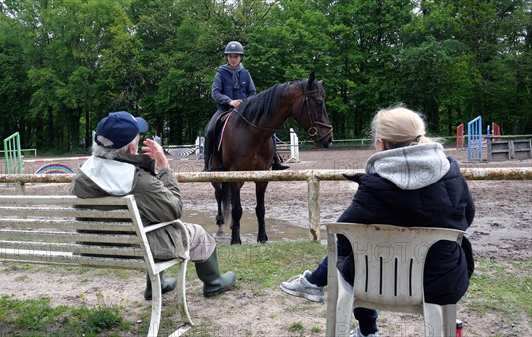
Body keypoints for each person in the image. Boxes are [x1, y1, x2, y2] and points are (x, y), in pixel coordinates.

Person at [279, 105, 475, 337]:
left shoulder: (374, 185)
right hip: (442, 280)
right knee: (362, 253)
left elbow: (344, 234)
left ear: (381, 144)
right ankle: (315, 284)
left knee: (355, 254)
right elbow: (467, 217)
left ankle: (361, 325)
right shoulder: (452, 174)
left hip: (374, 283)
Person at [70, 111, 236, 299]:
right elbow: (173, 210)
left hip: (95, 247)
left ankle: (156, 285)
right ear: (131, 150)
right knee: (197, 233)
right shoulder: (138, 180)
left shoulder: (82, 176)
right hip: (140, 250)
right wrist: (164, 168)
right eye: (138, 139)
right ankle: (213, 281)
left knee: (146, 222)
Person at [203, 40, 289, 171]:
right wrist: (229, 101)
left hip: (245, 110)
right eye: (231, 56)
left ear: (240, 57)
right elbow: (215, 93)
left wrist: (247, 103)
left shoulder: (246, 73)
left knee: (268, 126)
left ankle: (275, 159)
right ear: (227, 57)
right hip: (225, 109)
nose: (233, 59)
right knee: (210, 129)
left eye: (236, 56)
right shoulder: (220, 73)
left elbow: (253, 92)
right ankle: (208, 163)